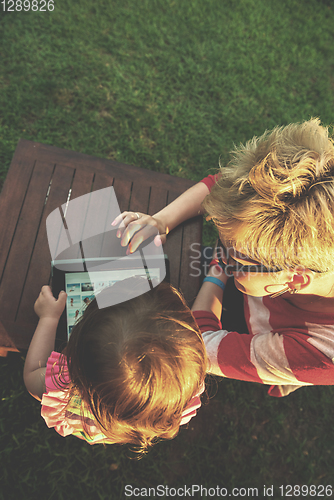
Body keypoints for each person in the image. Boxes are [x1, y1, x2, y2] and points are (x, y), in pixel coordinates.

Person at [114, 118, 334, 397]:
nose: (220, 249)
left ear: (297, 277)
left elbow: (196, 346)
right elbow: (224, 188)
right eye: (221, 239)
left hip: (289, 337)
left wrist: (218, 270)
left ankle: (285, 368)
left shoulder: (323, 351)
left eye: (236, 256)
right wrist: (161, 220)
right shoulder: (288, 238)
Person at [23, 278, 207, 451]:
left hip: (87, 424)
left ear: (78, 345)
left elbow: (32, 373)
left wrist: (48, 318)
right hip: (113, 429)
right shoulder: (179, 397)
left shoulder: (64, 382)